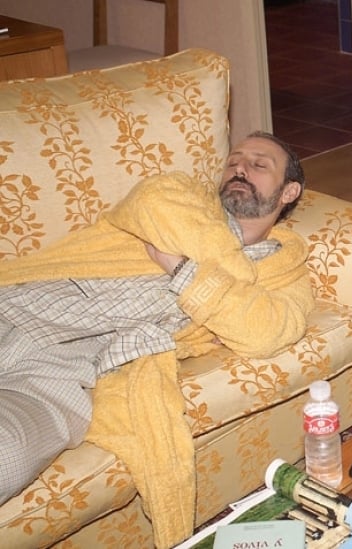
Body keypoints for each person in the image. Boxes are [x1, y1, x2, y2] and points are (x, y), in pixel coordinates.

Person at [0, 131, 314, 504]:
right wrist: (231, 287)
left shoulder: (283, 268)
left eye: (259, 164)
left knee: (8, 457)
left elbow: (267, 332)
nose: (240, 169)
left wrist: (182, 269)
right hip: (23, 307)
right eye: (234, 161)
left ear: (289, 191)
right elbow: (152, 200)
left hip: (63, 371)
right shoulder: (182, 196)